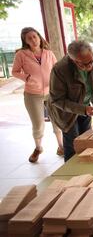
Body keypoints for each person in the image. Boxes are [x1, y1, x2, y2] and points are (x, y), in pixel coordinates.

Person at [48, 40, 93, 162]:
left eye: (90, 62)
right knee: (73, 145)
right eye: (84, 64)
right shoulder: (60, 69)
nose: (89, 66)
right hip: (67, 113)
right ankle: (71, 177)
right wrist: (82, 109)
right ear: (73, 60)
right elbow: (57, 99)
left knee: (87, 142)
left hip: (86, 107)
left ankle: (87, 173)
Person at [12, 27, 64, 163]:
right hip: (32, 94)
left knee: (57, 120)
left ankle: (61, 146)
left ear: (39, 37)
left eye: (34, 36)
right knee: (38, 124)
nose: (33, 40)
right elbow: (15, 71)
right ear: (25, 41)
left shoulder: (48, 53)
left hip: (51, 93)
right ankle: (38, 148)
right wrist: (26, 77)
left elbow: (57, 70)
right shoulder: (21, 55)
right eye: (29, 38)